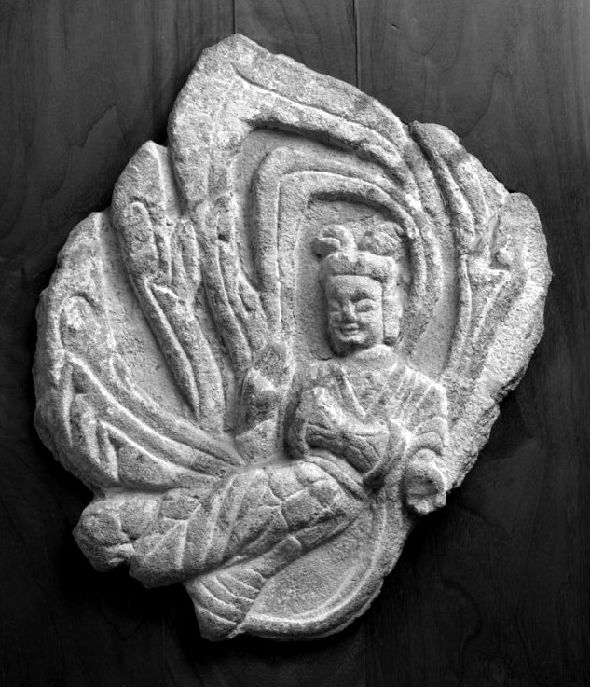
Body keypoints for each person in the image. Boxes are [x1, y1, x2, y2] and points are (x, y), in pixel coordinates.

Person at [75, 220, 448, 639]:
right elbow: (270, 447)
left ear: (390, 311)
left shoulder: (420, 391)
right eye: (336, 305)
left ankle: (151, 550)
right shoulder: (317, 376)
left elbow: (424, 453)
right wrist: (261, 403)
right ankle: (149, 541)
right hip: (298, 480)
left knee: (240, 505)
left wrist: (419, 472)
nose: (347, 316)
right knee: (238, 497)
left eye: (362, 304)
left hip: (336, 496)